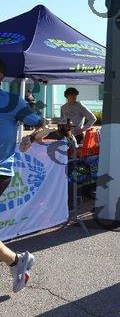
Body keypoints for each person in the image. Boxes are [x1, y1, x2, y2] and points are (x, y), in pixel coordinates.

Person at [0, 60, 48, 292]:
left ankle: (17, 261)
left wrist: (31, 137)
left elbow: (43, 125)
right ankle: (17, 261)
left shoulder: (12, 101)